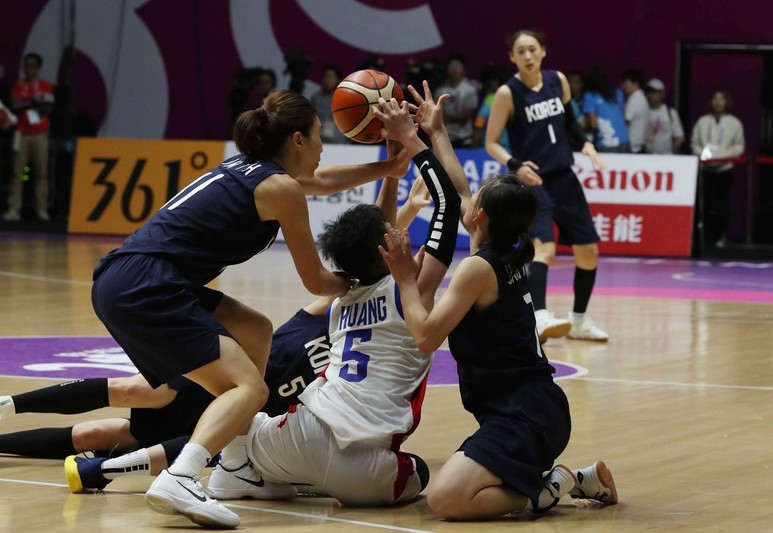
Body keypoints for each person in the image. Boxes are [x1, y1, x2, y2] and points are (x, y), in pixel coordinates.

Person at [90, 89, 409, 528]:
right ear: (298, 140)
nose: (322, 146)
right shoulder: (279, 187)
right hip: (146, 284)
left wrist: (388, 168)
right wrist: (367, 281)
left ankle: (235, 464)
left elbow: (321, 182)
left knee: (256, 329)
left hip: (129, 277)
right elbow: (316, 281)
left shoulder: (252, 170)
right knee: (251, 390)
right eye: (319, 136)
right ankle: (182, 475)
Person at [204, 84, 467, 513]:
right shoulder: (411, 287)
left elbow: (375, 234)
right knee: (418, 471)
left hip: (295, 438)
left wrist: (390, 166)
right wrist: (412, 139)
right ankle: (301, 478)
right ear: (386, 249)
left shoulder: (340, 298)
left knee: (246, 410)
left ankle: (243, 474)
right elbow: (448, 205)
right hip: (364, 470)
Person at [380, 108, 617, 518]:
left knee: (446, 499)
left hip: (525, 415)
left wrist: (405, 279)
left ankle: (562, 482)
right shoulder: (508, 249)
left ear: (480, 217)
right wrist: (437, 133)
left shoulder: (478, 268)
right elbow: (457, 191)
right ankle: (566, 478)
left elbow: (425, 338)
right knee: (456, 489)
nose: (471, 200)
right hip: (533, 409)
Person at [484, 30, 609, 343]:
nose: (528, 56)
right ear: (512, 57)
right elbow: (491, 143)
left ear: (543, 51)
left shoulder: (558, 81)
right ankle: (539, 317)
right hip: (532, 181)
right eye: (520, 51)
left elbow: (569, 123)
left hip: (564, 178)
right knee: (544, 248)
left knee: (588, 252)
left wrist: (587, 144)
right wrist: (516, 166)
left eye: (532, 49)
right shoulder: (507, 93)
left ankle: (578, 321)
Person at [3, 52, 54, 222]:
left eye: (32, 65)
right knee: (17, 172)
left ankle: (41, 209)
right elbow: (14, 105)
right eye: (26, 65)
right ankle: (13, 209)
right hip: (22, 133)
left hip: (40, 134)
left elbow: (48, 107)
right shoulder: (18, 86)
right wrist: (33, 101)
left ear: (38, 68)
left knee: (41, 173)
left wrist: (32, 103)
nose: (28, 69)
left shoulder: (46, 87)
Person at [690, 90, 745, 248]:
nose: (718, 102)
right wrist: (703, 154)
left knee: (722, 203)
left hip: (724, 168)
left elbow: (739, 146)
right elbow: (694, 142)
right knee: (704, 203)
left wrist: (724, 155)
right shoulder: (702, 122)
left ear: (726, 102)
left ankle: (721, 235)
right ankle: (704, 235)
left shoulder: (735, 123)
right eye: (715, 99)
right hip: (705, 169)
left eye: (722, 99)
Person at [583, 65, 630, 153]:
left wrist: (582, 126)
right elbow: (622, 118)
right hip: (624, 140)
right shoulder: (617, 93)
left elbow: (593, 124)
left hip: (606, 143)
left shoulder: (589, 97)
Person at [436, 54, 479, 147]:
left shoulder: (470, 90)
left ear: (464, 70)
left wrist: (444, 113)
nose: (454, 69)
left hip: (465, 139)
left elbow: (464, 118)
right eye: (452, 66)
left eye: (458, 66)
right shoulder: (440, 91)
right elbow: (435, 116)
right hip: (446, 138)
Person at [310, 64, 349, 144]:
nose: (327, 80)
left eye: (331, 77)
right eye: (325, 76)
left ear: (338, 79)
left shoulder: (344, 98)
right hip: (319, 142)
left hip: (340, 142)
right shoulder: (315, 98)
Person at [644, 78, 684, 154]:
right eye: (650, 92)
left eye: (655, 92)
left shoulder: (670, 112)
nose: (652, 95)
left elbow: (679, 137)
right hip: (647, 156)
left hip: (667, 157)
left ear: (662, 94)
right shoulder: (643, 112)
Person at [621, 68, 648, 154]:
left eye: (626, 83)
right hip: (638, 146)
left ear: (635, 83)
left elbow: (624, 121)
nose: (623, 87)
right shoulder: (641, 98)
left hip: (633, 149)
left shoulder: (635, 100)